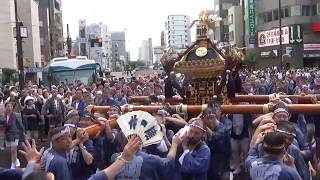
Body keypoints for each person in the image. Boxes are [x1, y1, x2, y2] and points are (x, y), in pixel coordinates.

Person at [202, 107, 231, 180]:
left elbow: (215, 138)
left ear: (216, 117)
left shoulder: (223, 129)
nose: (210, 120)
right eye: (207, 118)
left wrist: (204, 125)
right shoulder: (202, 128)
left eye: (212, 118)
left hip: (220, 163)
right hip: (207, 163)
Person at [0, 102, 25, 169]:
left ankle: (13, 164)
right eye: (8, 106)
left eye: (11, 106)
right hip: (7, 135)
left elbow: (20, 124)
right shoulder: (4, 115)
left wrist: (23, 132)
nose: (10, 108)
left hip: (15, 134)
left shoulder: (16, 115)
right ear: (5, 108)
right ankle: (16, 160)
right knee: (10, 150)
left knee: (13, 150)